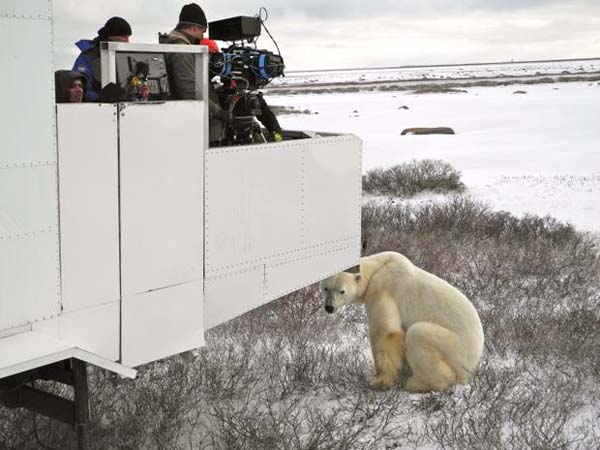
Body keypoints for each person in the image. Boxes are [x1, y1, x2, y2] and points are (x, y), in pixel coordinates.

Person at [160, 3, 232, 144]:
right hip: (193, 121)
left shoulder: (174, 43)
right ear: (193, 27)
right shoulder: (181, 49)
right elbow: (188, 89)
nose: (202, 35)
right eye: (202, 30)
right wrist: (218, 112)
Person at [200, 37, 283, 142]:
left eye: (213, 57)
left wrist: (277, 134)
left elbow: (265, 113)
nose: (213, 62)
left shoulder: (232, 94)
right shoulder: (213, 90)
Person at [72, 17, 132, 101]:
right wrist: (101, 98)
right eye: (124, 37)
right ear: (112, 35)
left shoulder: (124, 57)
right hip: (96, 109)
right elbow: (80, 89)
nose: (127, 41)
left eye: (128, 37)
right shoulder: (88, 57)